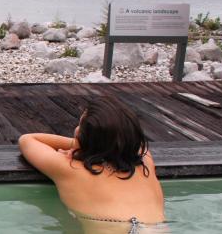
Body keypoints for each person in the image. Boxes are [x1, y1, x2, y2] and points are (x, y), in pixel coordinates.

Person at [18, 97, 167, 234]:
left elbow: (28, 140)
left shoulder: (71, 169)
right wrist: (87, 145)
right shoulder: (146, 161)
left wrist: (79, 146)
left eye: (80, 125)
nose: (76, 129)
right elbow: (134, 144)